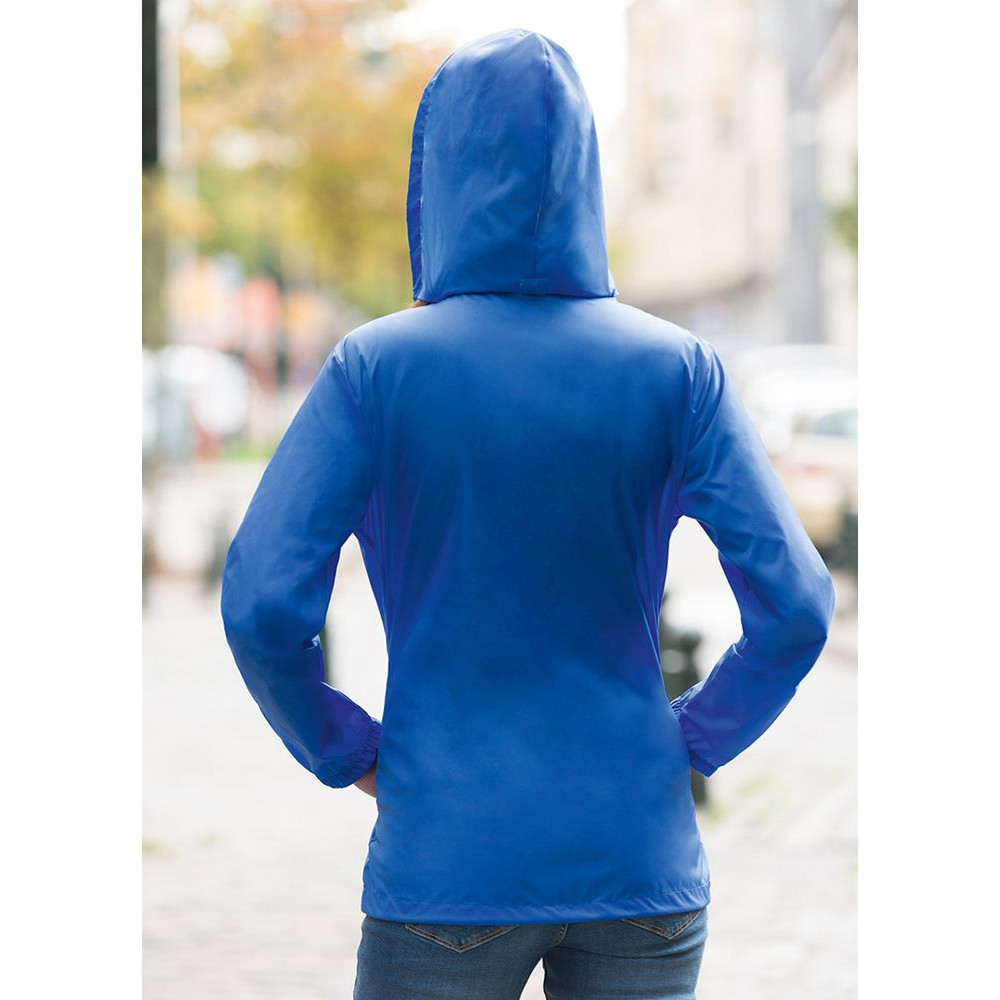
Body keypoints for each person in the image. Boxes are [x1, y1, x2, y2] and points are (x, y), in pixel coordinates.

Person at [221, 27, 836, 1000]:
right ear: (585, 172)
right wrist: (692, 738)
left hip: (447, 854)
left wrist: (348, 749)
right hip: (637, 856)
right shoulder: (679, 370)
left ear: (437, 172)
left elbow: (261, 603)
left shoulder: (373, 370)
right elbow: (796, 606)